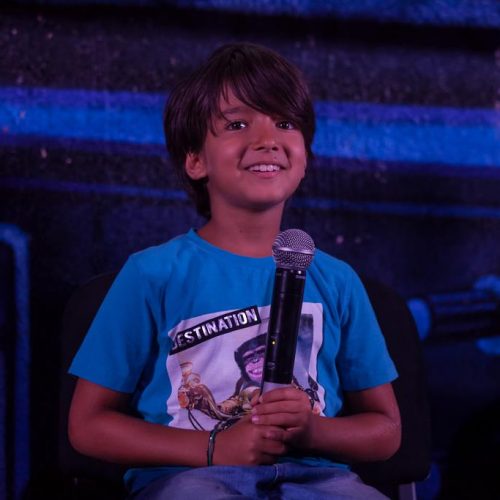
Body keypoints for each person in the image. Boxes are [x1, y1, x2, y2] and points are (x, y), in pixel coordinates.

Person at [68, 42, 401, 499]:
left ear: (305, 157)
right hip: (192, 477)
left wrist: (311, 430)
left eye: (285, 123)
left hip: (319, 481)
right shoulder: (152, 273)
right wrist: (215, 447)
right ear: (195, 160)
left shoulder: (337, 280)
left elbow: (386, 430)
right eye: (238, 124)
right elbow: (88, 425)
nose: (267, 139)